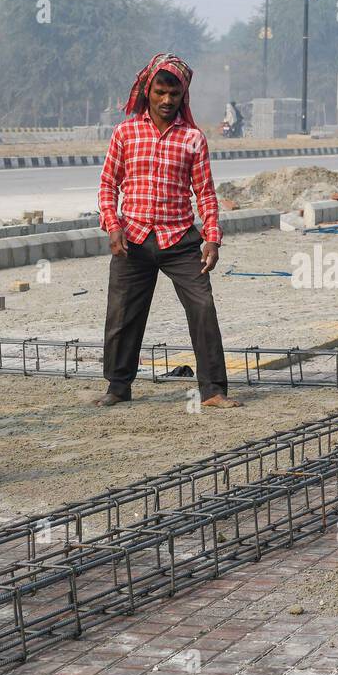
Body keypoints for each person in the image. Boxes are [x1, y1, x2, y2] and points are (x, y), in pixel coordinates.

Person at [95, 53, 240, 409]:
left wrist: (212, 238)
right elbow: (107, 185)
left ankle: (213, 390)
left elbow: (204, 192)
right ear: (148, 91)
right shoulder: (126, 133)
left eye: (173, 94)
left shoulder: (192, 138)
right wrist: (113, 227)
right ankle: (117, 387)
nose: (166, 100)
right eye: (160, 92)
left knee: (203, 307)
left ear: (182, 96)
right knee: (122, 313)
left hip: (179, 240)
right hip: (133, 238)